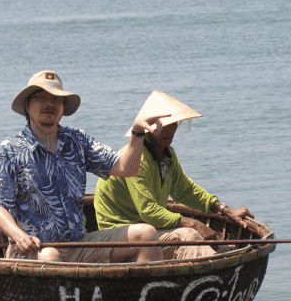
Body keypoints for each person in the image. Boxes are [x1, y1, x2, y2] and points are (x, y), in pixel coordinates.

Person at [0, 70, 168, 263]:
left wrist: (137, 132)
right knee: (51, 256)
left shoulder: (78, 140)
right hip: (34, 250)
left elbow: (126, 169)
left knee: (147, 234)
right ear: (27, 105)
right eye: (41, 98)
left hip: (79, 244)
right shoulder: (8, 151)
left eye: (56, 99)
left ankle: (140, 292)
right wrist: (19, 236)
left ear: (63, 106)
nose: (49, 104)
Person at [94, 90, 254, 260]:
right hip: (121, 235)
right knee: (188, 236)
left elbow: (184, 189)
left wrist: (223, 209)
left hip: (148, 228)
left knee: (193, 235)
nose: (171, 130)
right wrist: (193, 223)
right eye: (166, 125)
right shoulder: (137, 158)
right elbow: (148, 211)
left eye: (174, 124)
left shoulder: (167, 154)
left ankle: (221, 258)